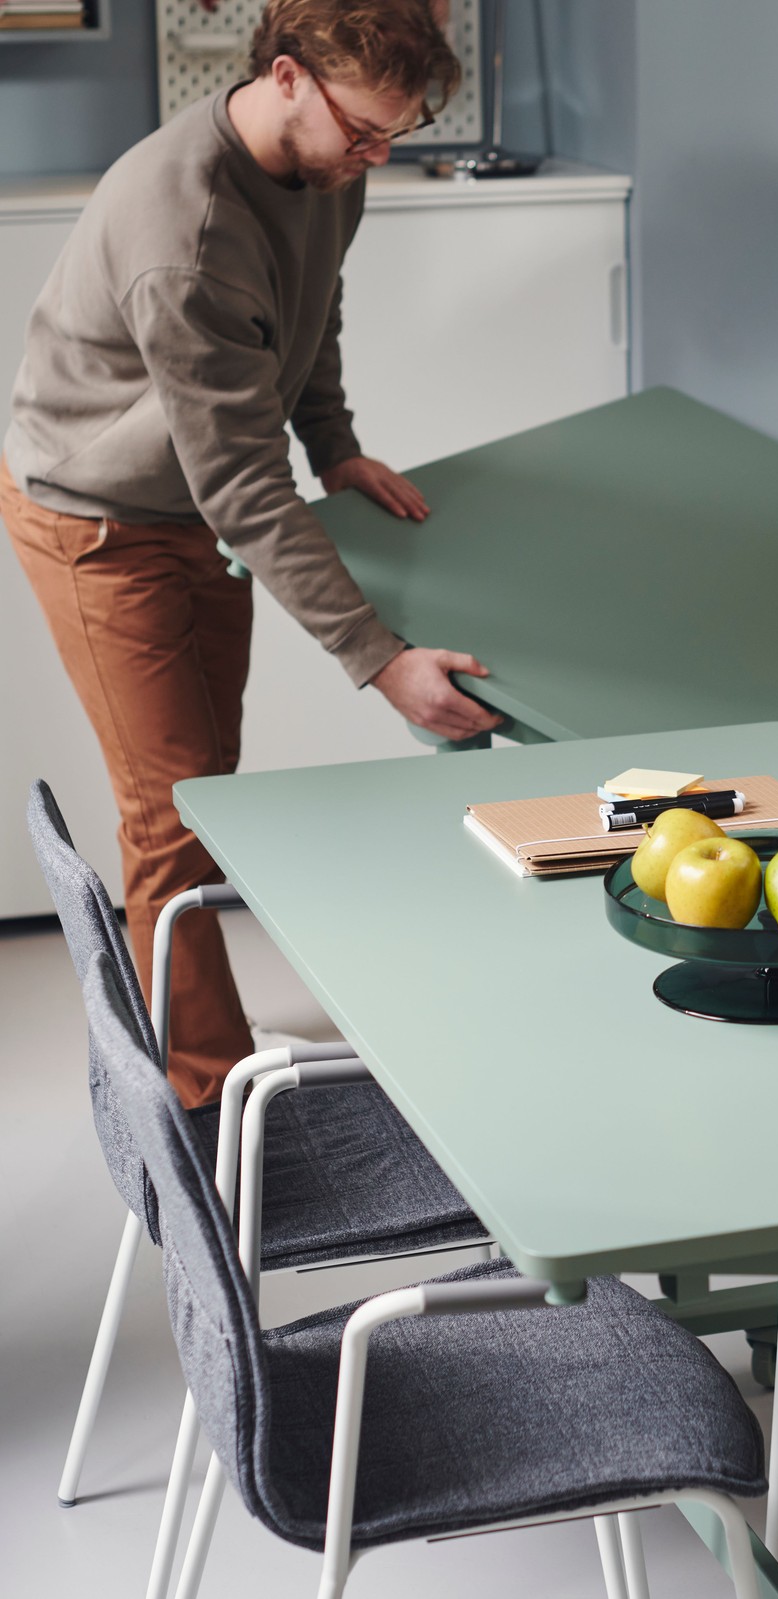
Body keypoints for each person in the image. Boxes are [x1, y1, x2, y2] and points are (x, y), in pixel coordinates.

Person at [2, 0, 502, 1108]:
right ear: (287, 77)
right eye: (366, 133)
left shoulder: (329, 166)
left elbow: (310, 310)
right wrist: (379, 660)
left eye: (395, 136)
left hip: (189, 506)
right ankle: (199, 1098)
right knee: (171, 807)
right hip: (96, 520)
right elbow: (239, 484)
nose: (377, 157)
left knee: (205, 787)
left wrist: (337, 445)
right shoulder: (183, 235)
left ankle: (192, 1020)